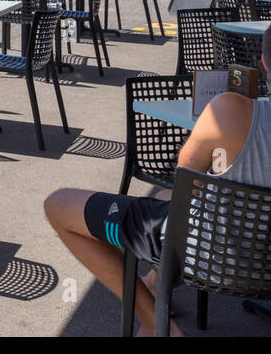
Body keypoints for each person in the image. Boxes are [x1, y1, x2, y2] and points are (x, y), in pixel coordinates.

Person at [44, 25, 271, 336]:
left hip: (207, 258)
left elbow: (184, 185)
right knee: (164, 203)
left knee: (58, 205)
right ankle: (153, 285)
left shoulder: (230, 110)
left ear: (264, 63)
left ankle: (155, 322)